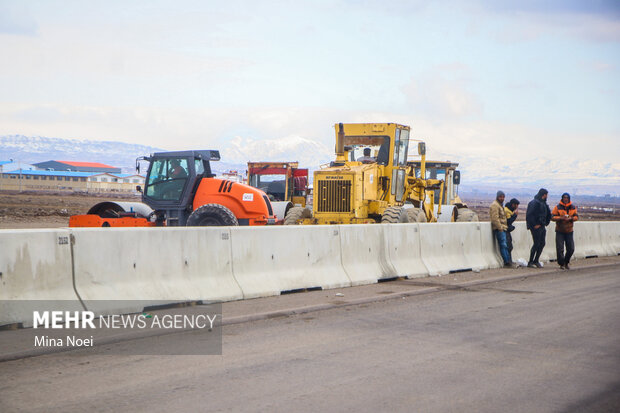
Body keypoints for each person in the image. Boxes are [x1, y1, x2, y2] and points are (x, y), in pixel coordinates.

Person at [551, 193, 578, 270]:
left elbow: (576, 217)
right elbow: (552, 217)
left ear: (569, 199)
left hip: (569, 231)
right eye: (564, 198)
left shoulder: (573, 207)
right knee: (560, 248)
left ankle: (566, 261)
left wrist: (571, 219)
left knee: (571, 248)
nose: (566, 199)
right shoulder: (557, 207)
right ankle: (561, 263)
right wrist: (560, 218)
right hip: (560, 230)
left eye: (567, 198)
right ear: (562, 198)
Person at [526, 188, 552, 268]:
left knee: (542, 243)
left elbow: (548, 214)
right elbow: (529, 215)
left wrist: (546, 222)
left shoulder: (543, 203)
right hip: (536, 227)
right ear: (544, 195)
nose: (547, 196)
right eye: (546, 195)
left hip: (542, 226)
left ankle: (536, 260)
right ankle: (530, 262)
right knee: (536, 243)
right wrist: (534, 225)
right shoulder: (534, 203)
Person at [489, 191, 515, 268]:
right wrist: (500, 228)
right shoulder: (495, 205)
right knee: (503, 245)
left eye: (503, 197)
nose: (502, 198)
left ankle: (508, 261)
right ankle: (506, 262)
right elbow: (495, 218)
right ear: (497, 197)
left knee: (506, 245)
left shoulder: (499, 205)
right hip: (500, 228)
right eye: (500, 197)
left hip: (503, 228)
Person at [504, 198, 520, 263]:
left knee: (510, 246)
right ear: (513, 205)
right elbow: (508, 221)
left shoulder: (510, 210)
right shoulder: (507, 211)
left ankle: (509, 260)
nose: (517, 207)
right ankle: (508, 261)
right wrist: (515, 215)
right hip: (504, 230)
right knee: (508, 246)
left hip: (507, 230)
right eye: (516, 205)